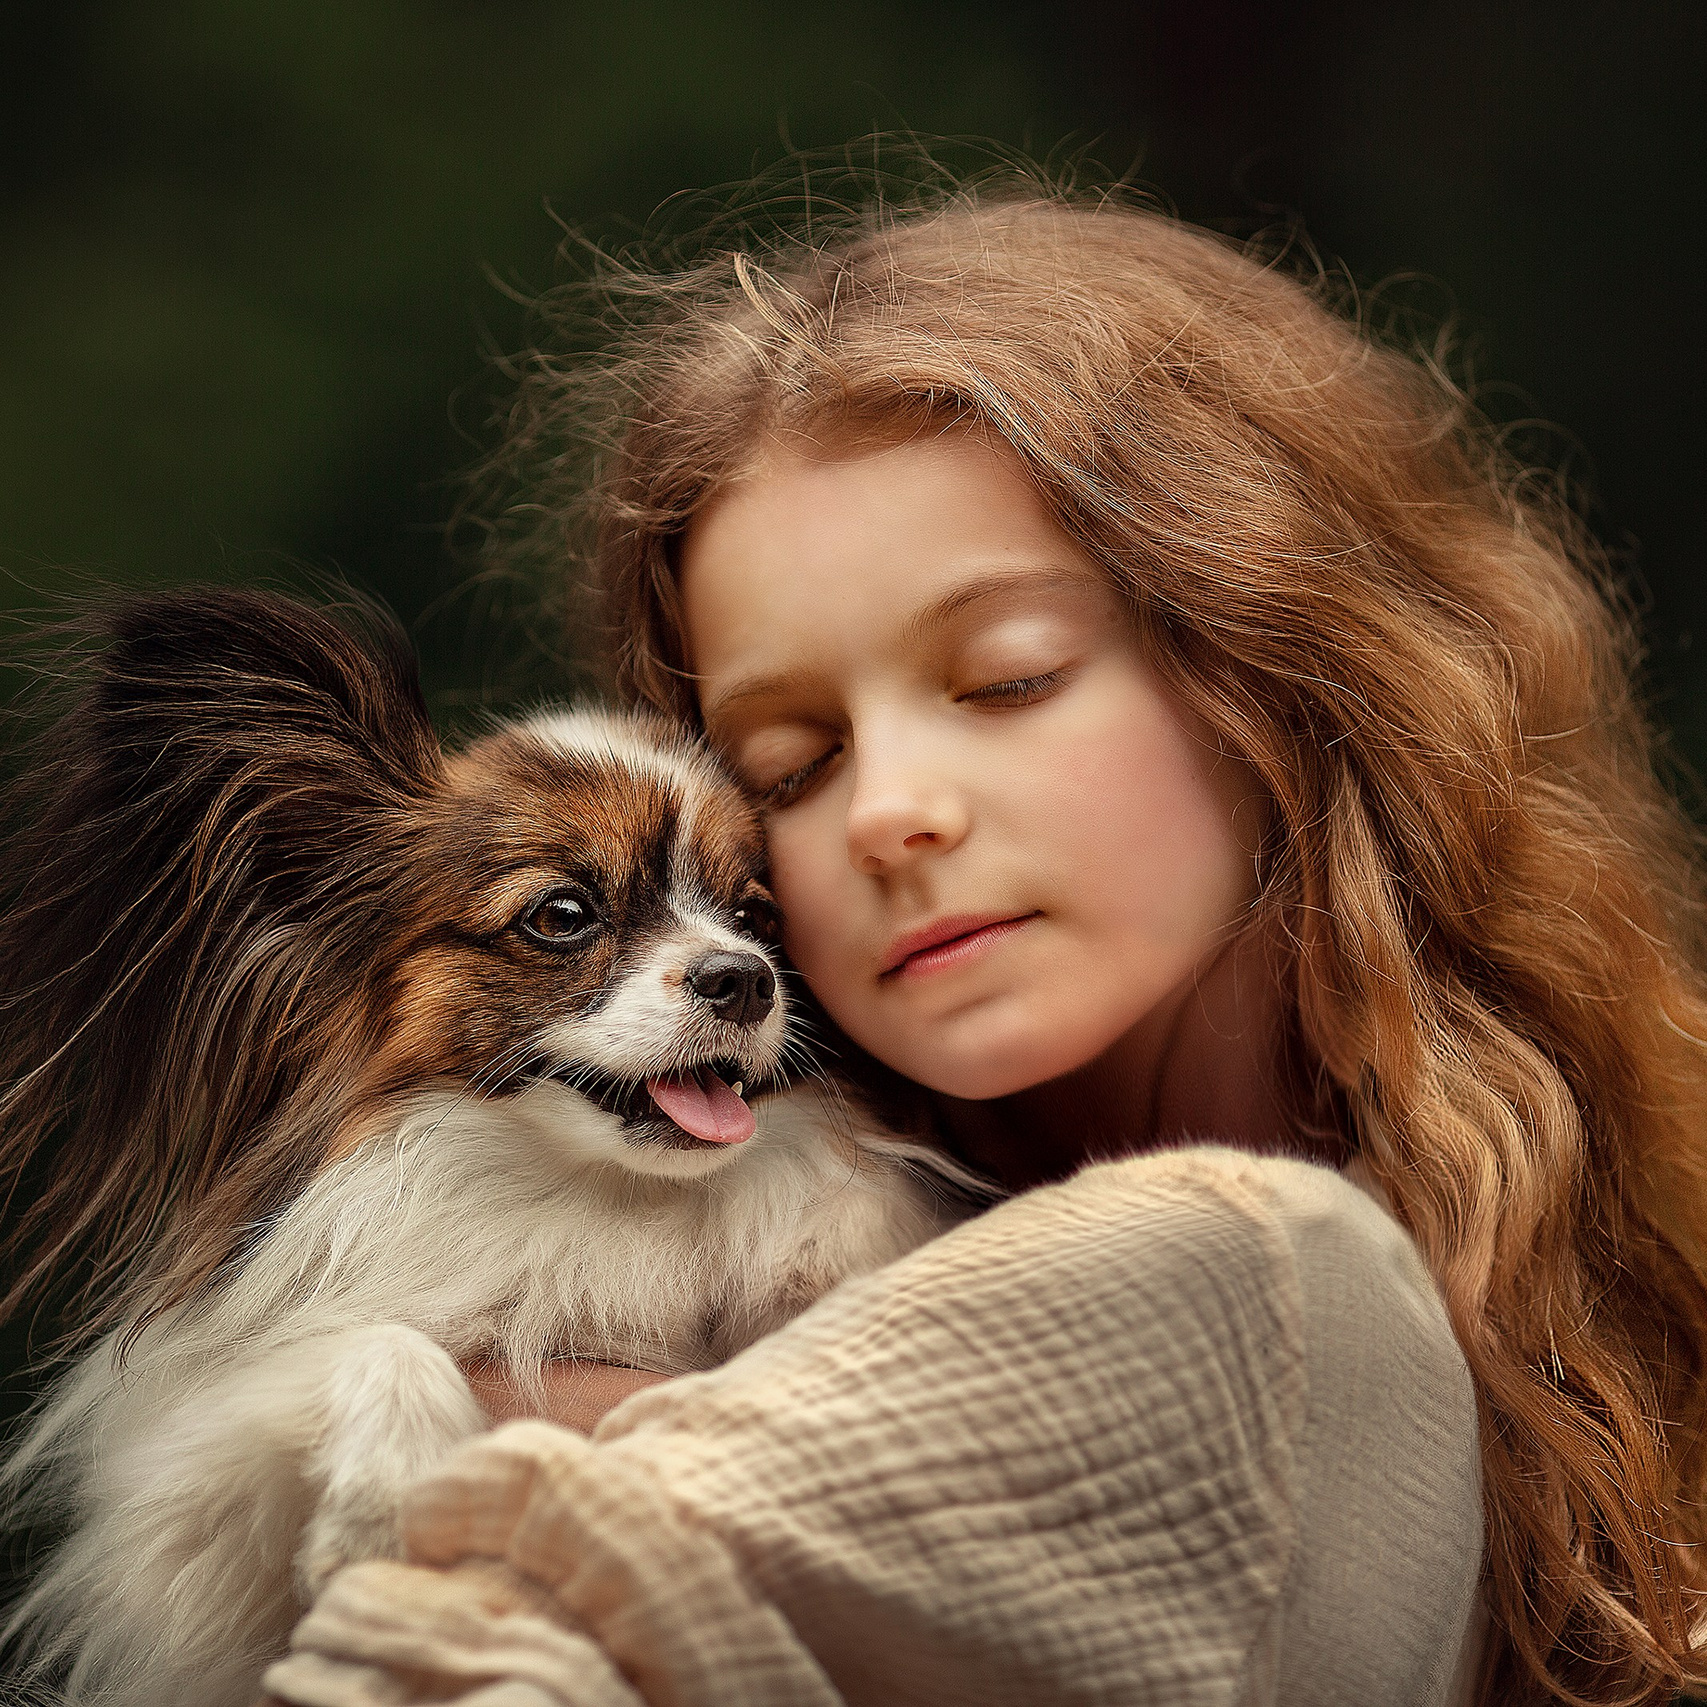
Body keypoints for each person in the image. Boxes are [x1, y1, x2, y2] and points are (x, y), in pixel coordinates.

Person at [261, 174, 1707, 1707]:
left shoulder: (1298, 1280)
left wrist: (525, 1424)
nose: (888, 814)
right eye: (787, 769)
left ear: (1281, 675)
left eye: (1008, 679)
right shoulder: (687, 1232)